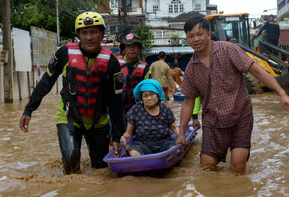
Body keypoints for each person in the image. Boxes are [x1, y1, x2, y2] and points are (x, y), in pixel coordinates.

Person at [176, 16, 289, 174]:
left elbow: (257, 70)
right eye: (191, 36)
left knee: (238, 168)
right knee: (206, 168)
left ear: (209, 34)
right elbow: (188, 101)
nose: (196, 39)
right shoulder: (191, 69)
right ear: (187, 40)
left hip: (240, 117)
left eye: (200, 34)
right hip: (213, 122)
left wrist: (282, 93)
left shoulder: (229, 50)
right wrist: (181, 133)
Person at [19, 11, 124, 174]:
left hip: (99, 120)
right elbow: (46, 81)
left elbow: (116, 101)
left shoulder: (112, 62)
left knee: (101, 169)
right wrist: (29, 109)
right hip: (69, 116)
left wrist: (117, 135)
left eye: (94, 32)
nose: (89, 37)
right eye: (84, 33)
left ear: (102, 34)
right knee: (71, 162)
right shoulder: (64, 53)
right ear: (79, 35)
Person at [120, 79, 179, 156]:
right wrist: (124, 137)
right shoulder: (135, 110)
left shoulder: (165, 108)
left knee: (175, 150)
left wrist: (181, 136)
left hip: (165, 142)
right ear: (141, 98)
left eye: (152, 94)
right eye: (145, 95)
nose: (149, 98)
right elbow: (129, 133)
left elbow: (174, 127)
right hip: (142, 144)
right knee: (133, 152)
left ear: (157, 95)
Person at [117, 33, 150, 113]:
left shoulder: (145, 69)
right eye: (128, 46)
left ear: (140, 49)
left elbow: (148, 91)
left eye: (135, 46)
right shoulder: (115, 64)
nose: (132, 49)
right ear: (124, 48)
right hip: (117, 109)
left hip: (137, 110)